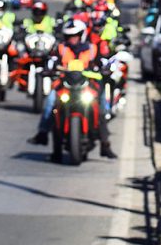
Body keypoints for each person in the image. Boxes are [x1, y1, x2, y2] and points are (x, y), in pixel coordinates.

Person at [27, 19, 115, 158]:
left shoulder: (92, 49)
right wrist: (48, 70)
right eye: (69, 36)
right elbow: (51, 62)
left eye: (75, 36)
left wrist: (106, 69)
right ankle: (43, 133)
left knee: (101, 108)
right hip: (65, 85)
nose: (73, 39)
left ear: (82, 35)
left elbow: (103, 61)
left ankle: (105, 143)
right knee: (50, 103)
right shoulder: (60, 48)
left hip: (87, 84)